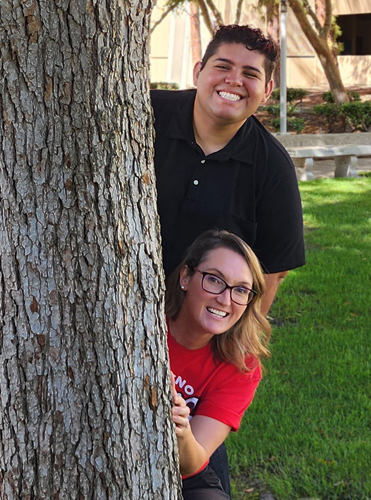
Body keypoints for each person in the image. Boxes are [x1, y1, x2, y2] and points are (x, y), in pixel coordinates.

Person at [151, 24, 306, 493]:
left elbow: (272, 272)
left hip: (198, 342)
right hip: (112, 323)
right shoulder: (145, 115)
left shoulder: (272, 170)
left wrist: (227, 351)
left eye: (251, 73)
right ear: (198, 71)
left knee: (200, 474)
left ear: (268, 89)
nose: (234, 80)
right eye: (223, 66)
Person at [167, 230, 271, 500]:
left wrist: (180, 428)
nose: (225, 300)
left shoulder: (241, 365)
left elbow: (193, 461)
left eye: (240, 290)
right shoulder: (145, 321)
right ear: (185, 277)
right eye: (214, 280)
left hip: (186, 465)